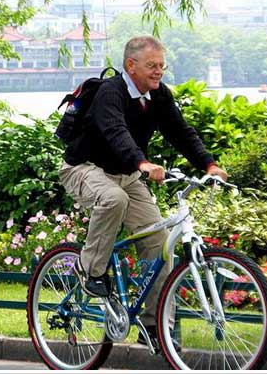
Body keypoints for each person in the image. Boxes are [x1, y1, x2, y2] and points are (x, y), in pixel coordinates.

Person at [58, 35, 227, 345]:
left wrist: (208, 164)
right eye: (152, 65)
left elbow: (180, 131)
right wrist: (143, 163)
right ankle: (89, 270)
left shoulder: (158, 95)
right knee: (112, 199)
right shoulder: (111, 92)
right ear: (130, 65)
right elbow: (115, 132)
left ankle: (154, 326)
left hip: (127, 174)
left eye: (162, 65)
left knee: (159, 243)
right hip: (84, 168)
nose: (158, 71)